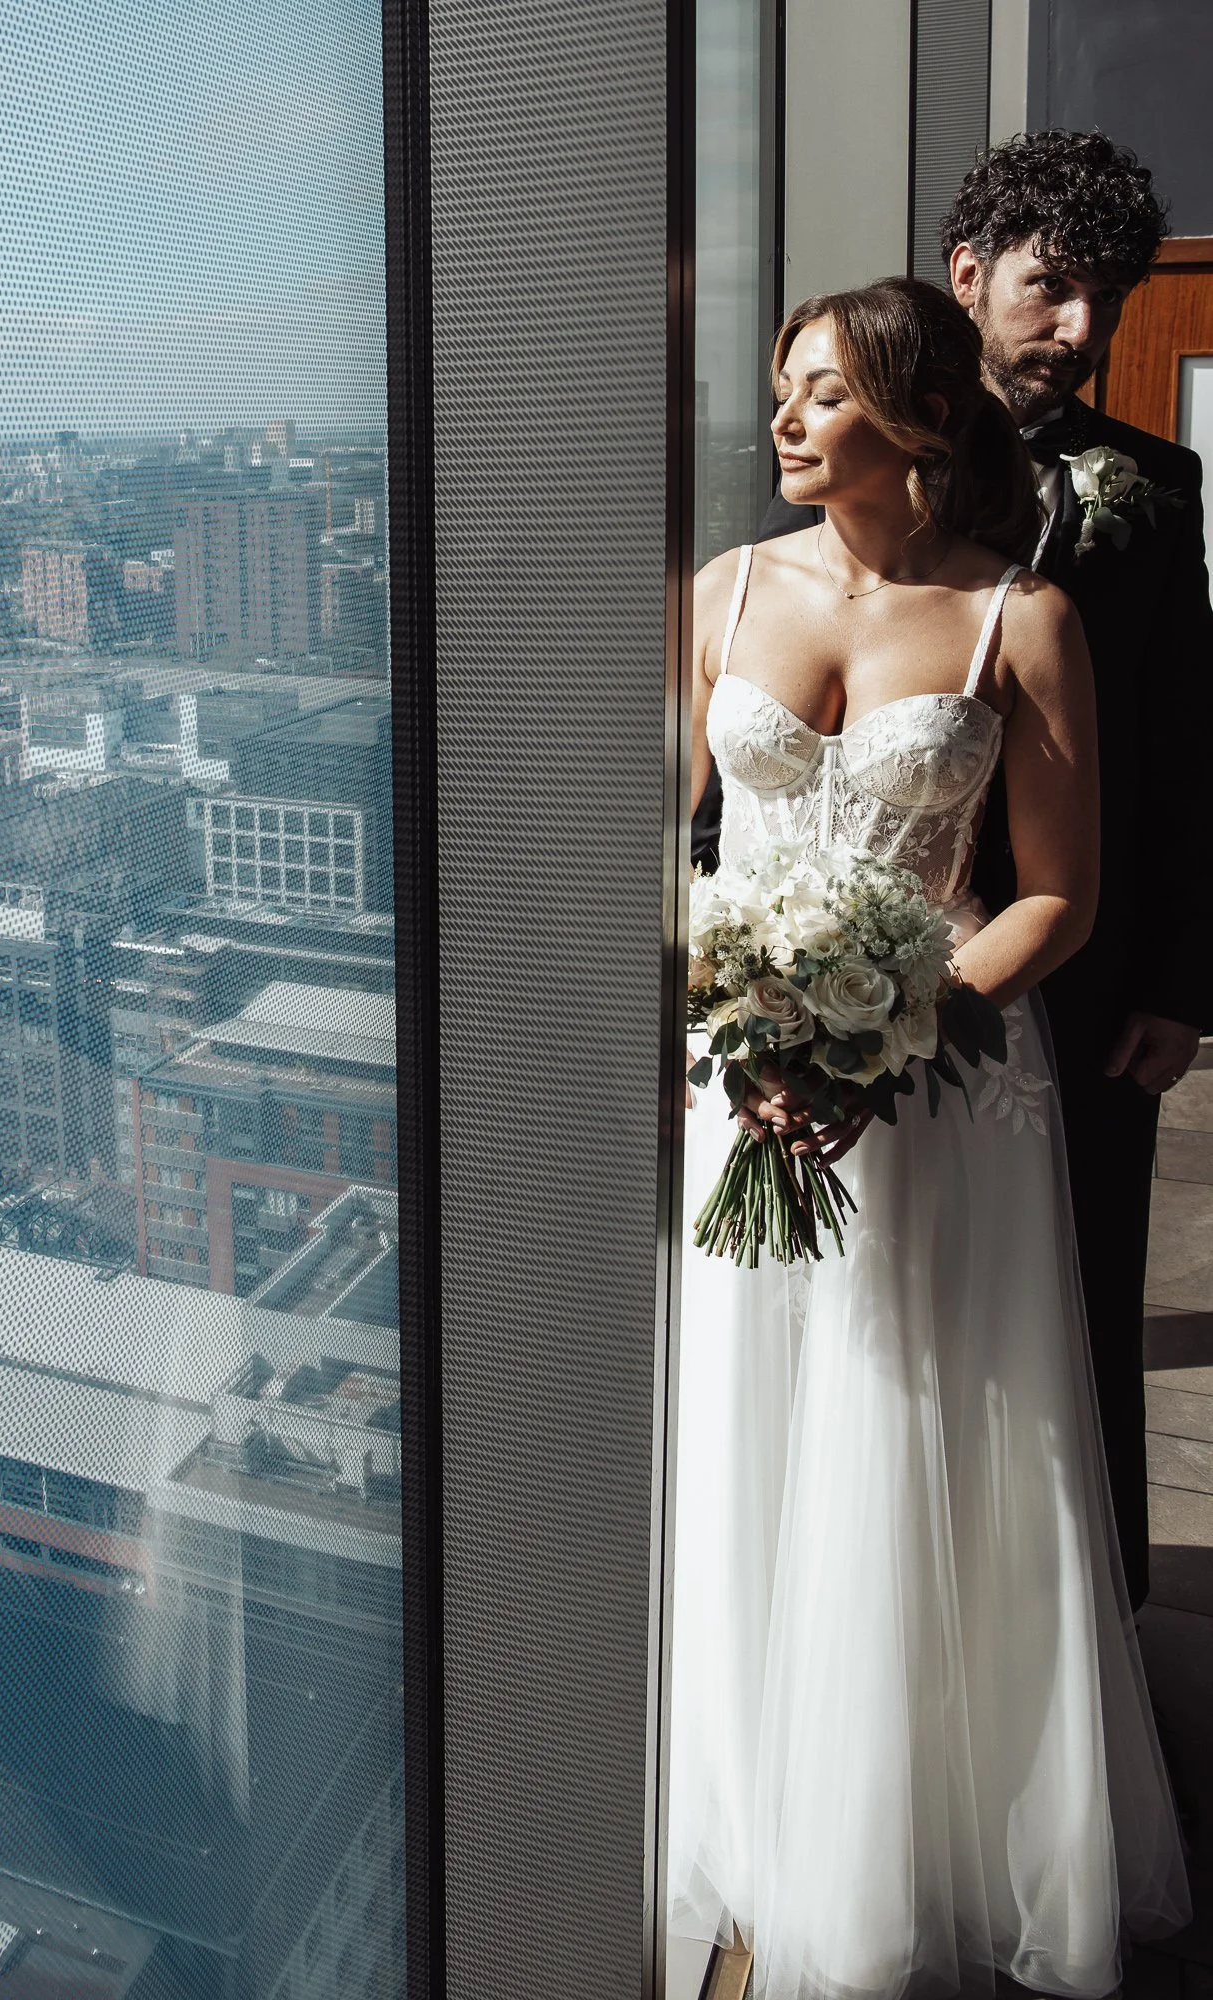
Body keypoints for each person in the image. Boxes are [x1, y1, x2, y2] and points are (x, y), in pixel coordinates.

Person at [669, 276, 1189, 1999]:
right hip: (745, 1089)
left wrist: (889, 1037)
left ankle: (917, 1849)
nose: (783, 423)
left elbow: (1057, 891)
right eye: (777, 393)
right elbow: (651, 851)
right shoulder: (715, 595)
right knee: (757, 1439)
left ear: (907, 409)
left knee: (928, 1438)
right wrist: (751, 1029)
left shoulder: (1018, 623)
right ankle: (759, 1813)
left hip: (943, 1104)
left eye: (817, 392)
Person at [693, 130, 1213, 1608]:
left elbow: (1183, 741)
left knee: (1055, 1322)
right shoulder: (794, 506)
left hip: (1066, 977)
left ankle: (1070, 1608)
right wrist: (746, 991)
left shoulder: (1147, 491)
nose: (1081, 330)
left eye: (1103, 300)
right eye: (1052, 289)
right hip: (794, 990)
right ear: (966, 279)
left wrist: (1181, 979)